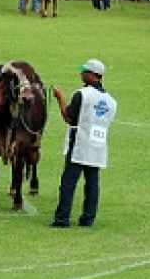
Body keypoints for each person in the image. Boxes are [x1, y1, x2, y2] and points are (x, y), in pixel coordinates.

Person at [49, 59, 117, 228]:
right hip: (98, 145)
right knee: (92, 183)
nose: (81, 74)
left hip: (79, 143)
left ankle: (62, 218)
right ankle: (88, 218)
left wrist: (60, 98)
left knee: (68, 182)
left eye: (84, 71)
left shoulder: (82, 94)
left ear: (93, 75)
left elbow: (69, 118)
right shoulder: (111, 101)